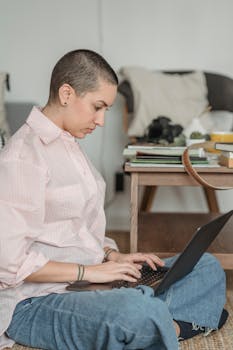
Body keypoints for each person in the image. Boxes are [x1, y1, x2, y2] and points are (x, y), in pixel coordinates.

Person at [0, 49, 228, 350]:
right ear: (66, 93)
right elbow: (7, 263)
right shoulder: (22, 158)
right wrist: (90, 272)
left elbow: (76, 230)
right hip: (36, 302)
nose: (102, 121)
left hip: (89, 283)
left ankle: (160, 324)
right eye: (98, 106)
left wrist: (111, 257)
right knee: (135, 310)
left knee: (206, 266)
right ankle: (173, 321)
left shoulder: (69, 145)